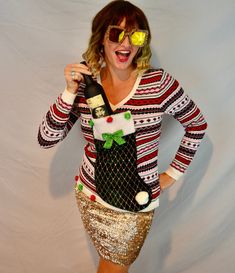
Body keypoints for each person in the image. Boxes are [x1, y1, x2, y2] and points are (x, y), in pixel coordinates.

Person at [38, 1, 208, 272]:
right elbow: (47, 138)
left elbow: (197, 124)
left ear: (143, 42)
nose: (126, 43)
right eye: (116, 33)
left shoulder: (159, 84)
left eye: (136, 35)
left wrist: (172, 174)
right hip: (91, 194)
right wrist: (69, 91)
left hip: (134, 202)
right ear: (101, 39)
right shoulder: (86, 85)